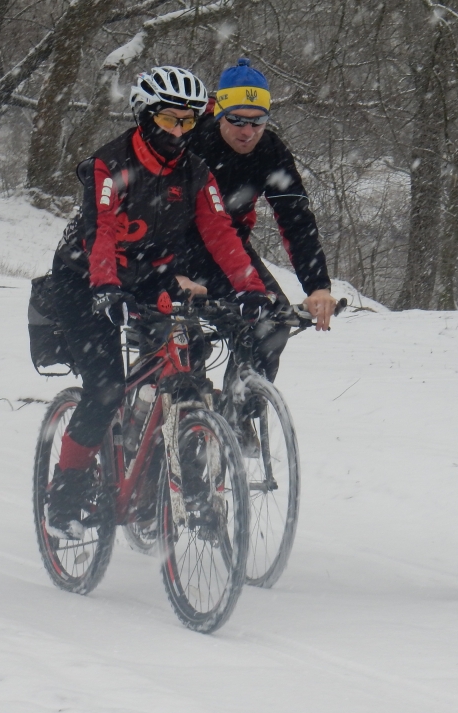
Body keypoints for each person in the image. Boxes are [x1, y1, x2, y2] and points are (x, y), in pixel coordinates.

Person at [46, 65, 270, 539]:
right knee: (106, 389)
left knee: (186, 369)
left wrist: (250, 288)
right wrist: (106, 289)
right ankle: (64, 494)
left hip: (149, 277)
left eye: (189, 122)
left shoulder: (195, 172)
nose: (179, 131)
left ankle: (175, 485)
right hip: (84, 280)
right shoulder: (111, 164)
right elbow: (101, 230)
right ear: (145, 117)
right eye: (170, 119)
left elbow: (220, 233)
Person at [185, 57, 337, 385]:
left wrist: (317, 286)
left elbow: (296, 219)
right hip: (172, 249)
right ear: (219, 113)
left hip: (230, 252)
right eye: (237, 120)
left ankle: (242, 406)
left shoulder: (270, 150)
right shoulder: (192, 141)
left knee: (271, 325)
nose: (247, 132)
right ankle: (176, 405)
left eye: (258, 122)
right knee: (185, 342)